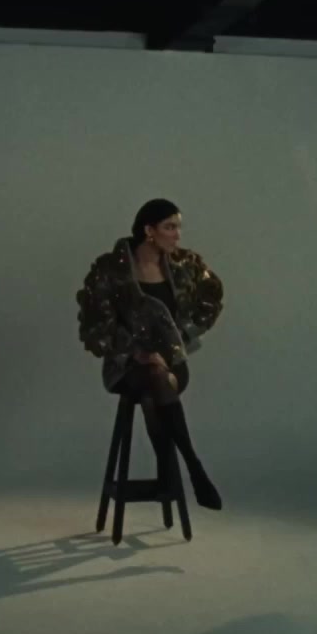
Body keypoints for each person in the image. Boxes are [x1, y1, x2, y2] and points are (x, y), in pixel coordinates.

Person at [77, 199, 225, 510]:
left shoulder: (184, 266)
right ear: (149, 230)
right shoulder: (112, 269)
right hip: (127, 367)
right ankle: (193, 467)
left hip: (172, 363)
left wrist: (177, 342)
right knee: (157, 381)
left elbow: (209, 303)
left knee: (159, 385)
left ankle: (175, 473)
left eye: (178, 227)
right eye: (170, 227)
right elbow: (96, 325)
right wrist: (139, 354)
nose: (177, 235)